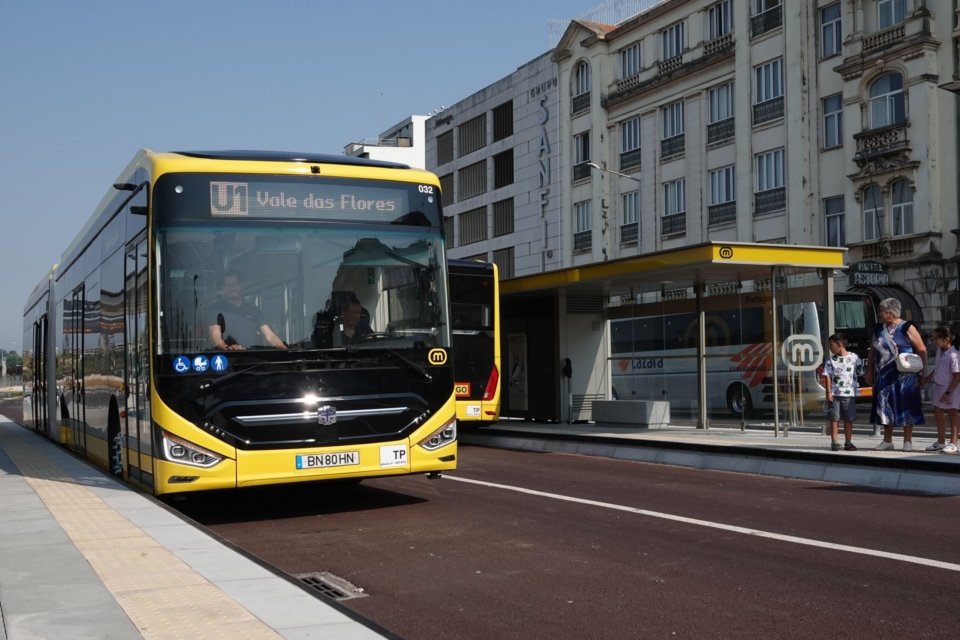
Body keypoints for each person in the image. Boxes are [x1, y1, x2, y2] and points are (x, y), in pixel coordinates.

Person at [866, 297, 925, 451]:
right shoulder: (878, 329)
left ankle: (907, 441)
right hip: (883, 374)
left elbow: (921, 349)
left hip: (905, 376)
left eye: (881, 311)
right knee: (884, 404)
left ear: (890, 313)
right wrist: (869, 371)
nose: (879, 313)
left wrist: (921, 372)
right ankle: (887, 440)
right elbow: (872, 351)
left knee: (906, 406)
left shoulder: (907, 327)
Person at [208, 271, 287, 350]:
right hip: (229, 358)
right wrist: (227, 348)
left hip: (252, 357)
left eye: (235, 284)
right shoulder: (216, 309)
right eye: (228, 285)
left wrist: (283, 348)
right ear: (223, 288)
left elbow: (269, 335)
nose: (232, 288)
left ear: (242, 285)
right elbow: (215, 335)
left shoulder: (254, 310)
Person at [821, 333, 861, 451]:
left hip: (849, 393)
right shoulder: (831, 360)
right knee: (834, 419)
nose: (830, 347)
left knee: (849, 418)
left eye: (831, 345)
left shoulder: (854, 357)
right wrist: (828, 392)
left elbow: (860, 371)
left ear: (839, 344)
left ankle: (848, 442)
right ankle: (834, 442)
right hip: (835, 394)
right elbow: (827, 375)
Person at [926, 325, 960, 454]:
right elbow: (939, 367)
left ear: (946, 339)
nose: (934, 341)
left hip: (951, 388)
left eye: (936, 339)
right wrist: (929, 377)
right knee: (938, 412)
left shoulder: (954, 355)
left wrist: (948, 392)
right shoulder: (941, 352)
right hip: (939, 386)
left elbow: (957, 375)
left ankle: (953, 442)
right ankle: (941, 441)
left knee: (952, 413)